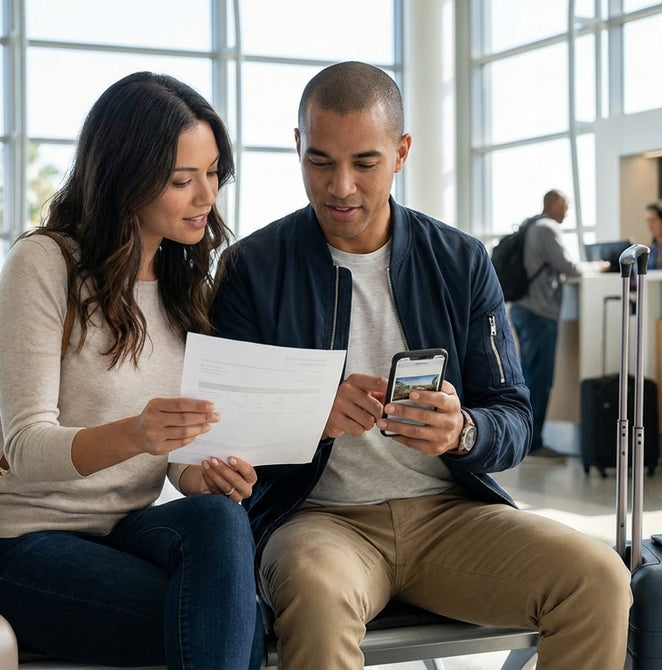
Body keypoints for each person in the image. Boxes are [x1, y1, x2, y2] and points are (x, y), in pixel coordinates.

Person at [210, 61, 630, 670]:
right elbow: (223, 435)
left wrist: (464, 432)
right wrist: (306, 415)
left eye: (365, 163)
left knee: (598, 579)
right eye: (320, 161)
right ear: (298, 146)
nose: (341, 187)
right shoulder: (253, 268)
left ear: (402, 152)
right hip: (317, 521)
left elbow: (513, 417)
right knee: (318, 597)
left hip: (450, 516)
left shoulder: (461, 261)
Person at [0, 72, 263, 670]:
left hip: (123, 532)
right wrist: (137, 431)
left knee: (218, 521)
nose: (206, 196)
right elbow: (26, 447)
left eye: (213, 175)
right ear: (126, 177)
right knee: (223, 621)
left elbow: (175, 457)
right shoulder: (45, 264)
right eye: (184, 180)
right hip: (22, 543)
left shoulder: (185, 287)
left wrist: (204, 476)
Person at [511, 190, 609, 460]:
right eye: (565, 206)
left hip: (523, 309)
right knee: (538, 380)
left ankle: (526, 441)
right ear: (553, 204)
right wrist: (597, 267)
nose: (567, 213)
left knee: (530, 377)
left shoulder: (530, 225)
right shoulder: (547, 228)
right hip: (539, 313)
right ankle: (532, 443)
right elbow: (568, 267)